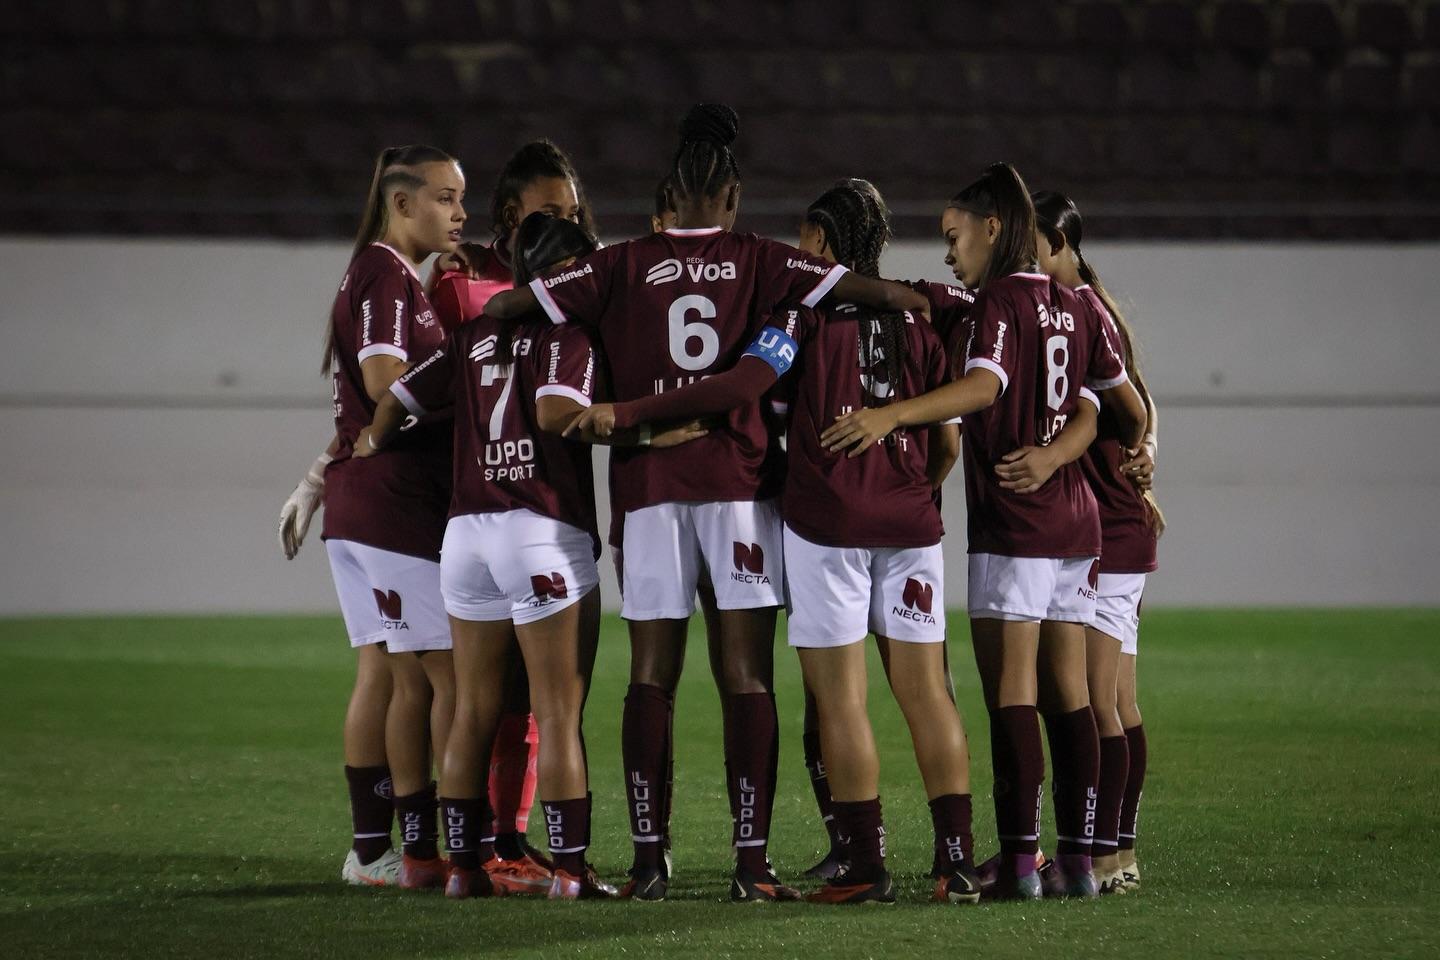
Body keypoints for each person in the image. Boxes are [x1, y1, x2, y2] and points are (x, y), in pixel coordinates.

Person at [485, 103, 930, 902]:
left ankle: (650, 861)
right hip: (739, 489)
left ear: (667, 196)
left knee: (650, 676)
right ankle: (750, 864)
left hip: (649, 493)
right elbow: (869, 290)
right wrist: (919, 299)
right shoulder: (762, 259)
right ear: (731, 198)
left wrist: (539, 301)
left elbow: (510, 307)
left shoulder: (617, 264)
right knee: (746, 676)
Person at [569, 179, 983, 905]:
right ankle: (955, 862)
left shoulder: (797, 319)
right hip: (912, 525)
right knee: (929, 696)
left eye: (804, 239)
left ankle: (865, 867)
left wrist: (630, 418)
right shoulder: (921, 311)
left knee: (842, 704)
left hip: (828, 526)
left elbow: (752, 392)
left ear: (821, 245)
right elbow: (948, 437)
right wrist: (918, 487)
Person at [820, 162, 1146, 900]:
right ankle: (1078, 861)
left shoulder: (999, 301)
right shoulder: (1075, 302)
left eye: (954, 236)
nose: (949, 253)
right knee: (1069, 695)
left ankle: (1020, 863)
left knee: (1011, 692)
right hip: (1077, 523)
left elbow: (984, 388)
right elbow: (1107, 407)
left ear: (993, 227)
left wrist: (890, 414)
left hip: (1017, 524)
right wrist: (1061, 453)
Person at [278, 145, 466, 888]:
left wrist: (315, 480)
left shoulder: (377, 275)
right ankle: (449, 850)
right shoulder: (388, 274)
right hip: (394, 508)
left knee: (386, 678)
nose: (458, 213)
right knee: (449, 679)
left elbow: (359, 411)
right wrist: (472, 366)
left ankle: (374, 852)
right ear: (402, 203)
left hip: (359, 505)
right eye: (446, 197)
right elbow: (387, 387)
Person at [427, 139, 598, 888]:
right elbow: (564, 411)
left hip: (466, 530)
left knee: (472, 708)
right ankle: (569, 871)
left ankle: (463, 866)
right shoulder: (568, 330)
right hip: (539, 523)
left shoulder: (471, 324)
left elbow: (406, 397)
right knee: (560, 711)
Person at [1031, 191, 1162, 894]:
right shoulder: (1082, 309)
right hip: (1112, 526)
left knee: (1092, 701)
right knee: (1114, 699)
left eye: (1031, 243)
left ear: (1056, 241)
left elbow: (1130, 401)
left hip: (1109, 528)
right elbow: (1142, 402)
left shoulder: (1079, 312)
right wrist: (1149, 443)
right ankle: (1118, 853)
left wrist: (1146, 446)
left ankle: (1105, 855)